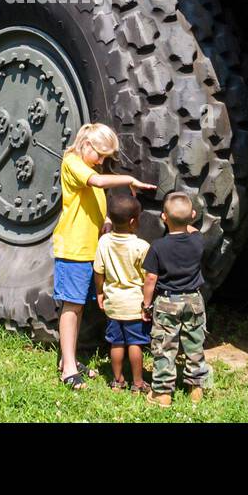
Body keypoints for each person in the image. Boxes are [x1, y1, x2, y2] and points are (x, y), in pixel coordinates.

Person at [54, 123, 156, 390]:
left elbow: (91, 201)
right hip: (73, 248)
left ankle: (68, 360)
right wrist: (129, 180)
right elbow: (97, 183)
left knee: (78, 307)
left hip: (88, 248)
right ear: (87, 144)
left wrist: (106, 221)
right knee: (71, 307)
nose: (101, 162)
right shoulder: (73, 162)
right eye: (100, 155)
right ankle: (68, 369)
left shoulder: (88, 166)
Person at [142, 191, 210, 406]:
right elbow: (194, 230)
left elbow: (151, 278)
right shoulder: (198, 241)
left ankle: (162, 393)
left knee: (164, 346)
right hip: (194, 300)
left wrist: (146, 304)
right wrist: (187, 220)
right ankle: (196, 389)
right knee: (194, 343)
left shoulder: (158, 246)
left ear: (164, 217)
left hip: (167, 301)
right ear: (193, 215)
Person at [93, 192, 151, 392]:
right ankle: (138, 382)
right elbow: (147, 277)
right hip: (134, 305)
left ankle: (117, 381)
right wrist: (148, 303)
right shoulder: (141, 246)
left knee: (116, 344)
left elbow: (98, 271)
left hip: (113, 303)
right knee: (135, 344)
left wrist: (99, 293)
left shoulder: (104, 242)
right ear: (133, 222)